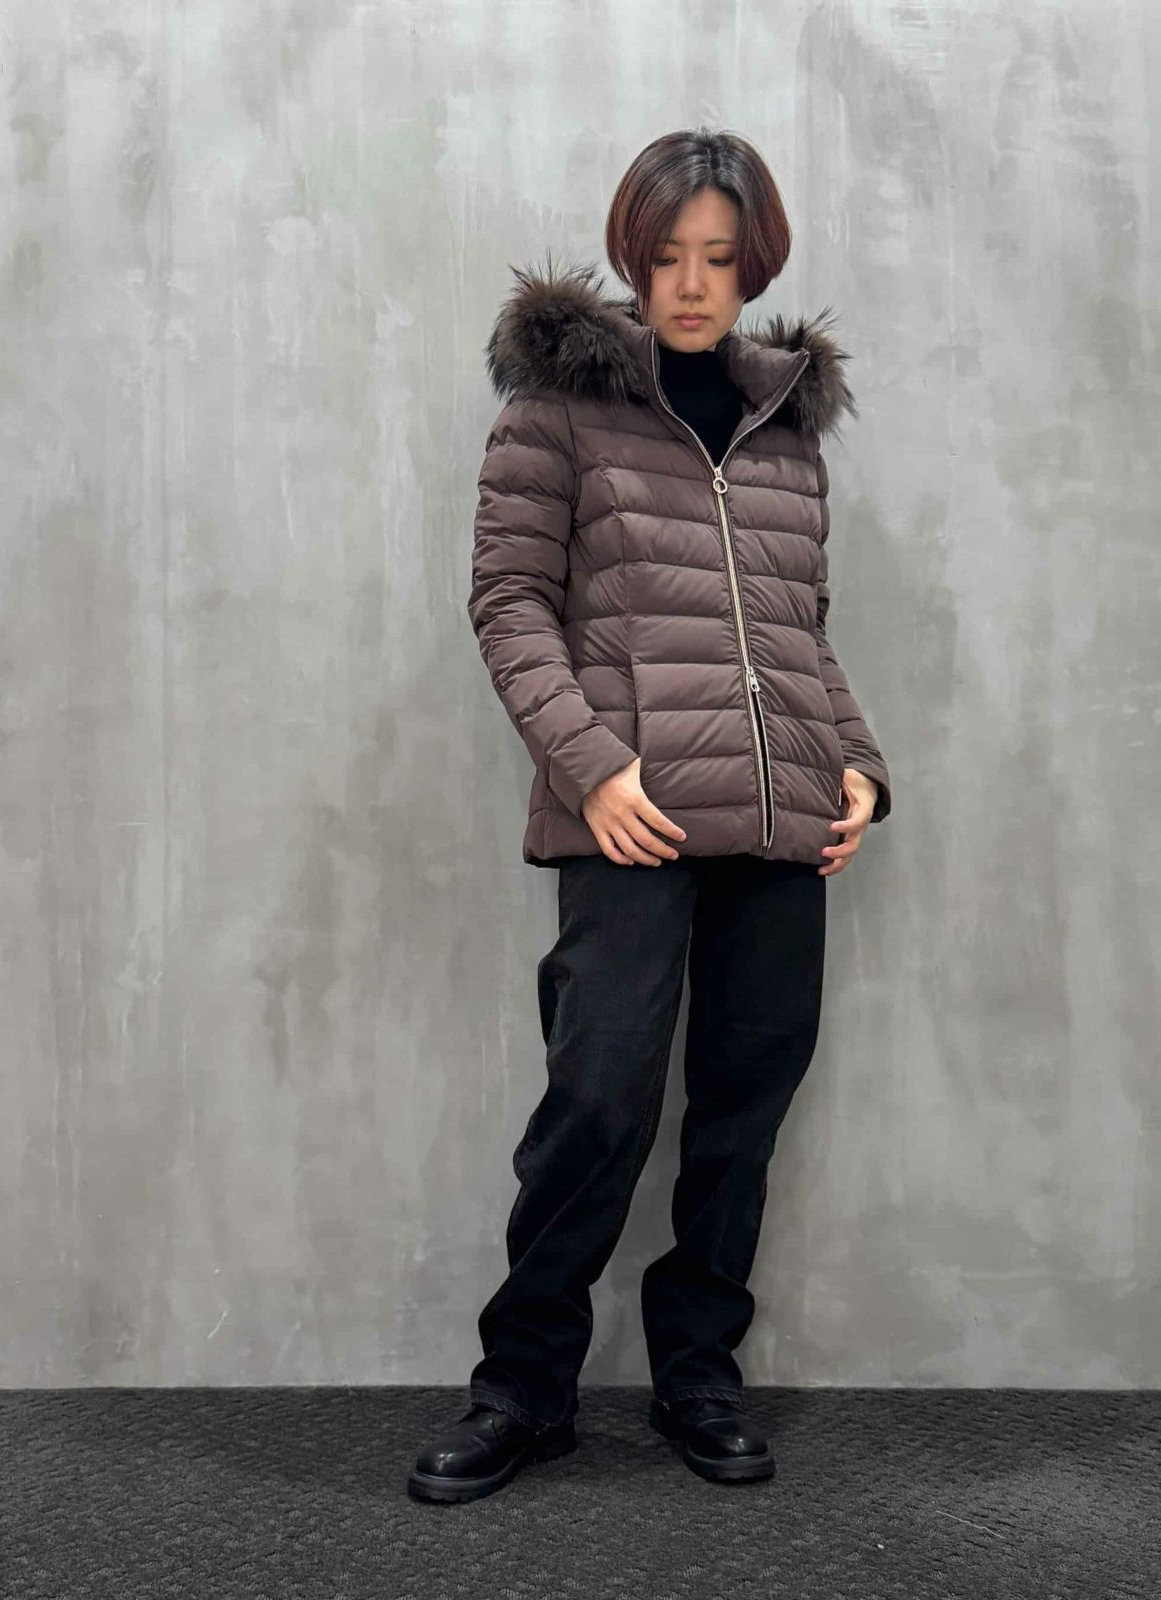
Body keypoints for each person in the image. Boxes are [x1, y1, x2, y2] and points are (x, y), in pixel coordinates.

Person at [407, 126, 892, 1505]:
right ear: (633, 254)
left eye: (719, 259)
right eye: (669, 255)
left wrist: (857, 763)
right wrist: (592, 767)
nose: (692, 284)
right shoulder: (558, 409)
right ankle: (524, 1389)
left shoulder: (786, 425)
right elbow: (510, 603)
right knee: (601, 1097)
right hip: (628, 818)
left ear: (754, 266)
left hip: (780, 828)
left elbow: (799, 629)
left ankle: (698, 1373)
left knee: (742, 1111)